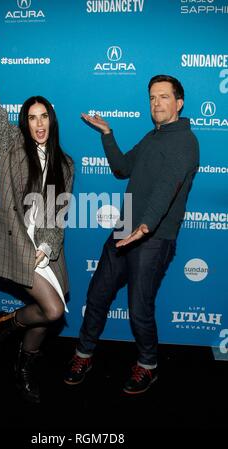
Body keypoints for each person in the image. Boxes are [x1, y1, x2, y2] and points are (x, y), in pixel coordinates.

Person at [64, 75, 199, 394]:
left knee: (139, 307)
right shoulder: (153, 137)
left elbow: (169, 186)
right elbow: (122, 168)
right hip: (125, 230)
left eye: (164, 97)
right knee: (97, 295)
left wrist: (146, 226)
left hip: (154, 237)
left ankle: (148, 366)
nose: (156, 103)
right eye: (152, 97)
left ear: (178, 103)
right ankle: (83, 355)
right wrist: (108, 135)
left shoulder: (185, 141)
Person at [0, 27, 74, 403]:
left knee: (47, 315)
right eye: (31, 118)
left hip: (45, 250)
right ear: (24, 122)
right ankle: (4, 327)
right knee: (54, 310)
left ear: (52, 121)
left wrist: (48, 244)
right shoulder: (11, 146)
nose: (38, 124)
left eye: (44, 117)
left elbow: (58, 213)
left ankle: (23, 362)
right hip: (16, 243)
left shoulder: (66, 163)